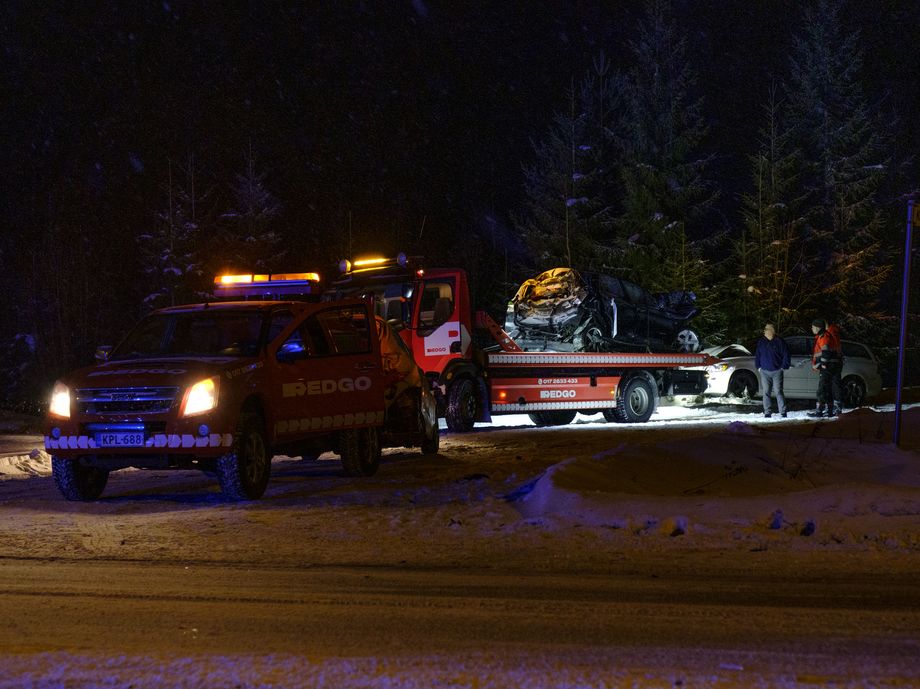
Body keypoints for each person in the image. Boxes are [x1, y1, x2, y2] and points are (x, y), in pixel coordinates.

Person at [754, 322, 791, 418]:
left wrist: (783, 366)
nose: (764, 331)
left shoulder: (780, 341)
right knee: (766, 392)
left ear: (772, 331)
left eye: (766, 329)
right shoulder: (761, 342)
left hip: (777, 371)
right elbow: (757, 355)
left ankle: (783, 412)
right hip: (764, 371)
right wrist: (758, 367)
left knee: (778, 391)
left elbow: (786, 355)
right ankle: (767, 412)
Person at [809, 318, 843, 417]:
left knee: (822, 388)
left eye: (813, 327)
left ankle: (820, 410)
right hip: (833, 364)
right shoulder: (826, 335)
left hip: (827, 366)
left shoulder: (823, 336)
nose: (811, 328)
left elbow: (826, 350)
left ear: (817, 327)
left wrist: (822, 363)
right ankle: (831, 410)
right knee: (831, 387)